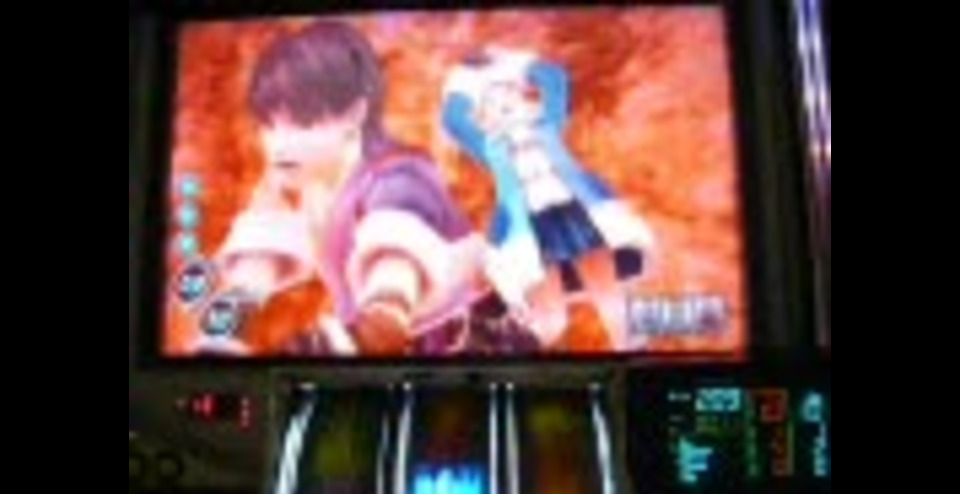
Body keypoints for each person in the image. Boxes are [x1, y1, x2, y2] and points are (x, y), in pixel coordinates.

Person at [199, 21, 536, 355]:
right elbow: (255, 271)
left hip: (475, 342)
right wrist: (220, 340)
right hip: (388, 352)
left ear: (354, 114)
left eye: (301, 123)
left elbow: (394, 276)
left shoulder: (398, 176)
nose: (279, 144)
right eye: (269, 125)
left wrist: (362, 332)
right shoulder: (295, 181)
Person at [441, 46, 656, 350]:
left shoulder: (548, 124)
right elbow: (453, 119)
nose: (504, 104)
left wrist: (513, 62)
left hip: (575, 212)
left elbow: (554, 78)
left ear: (525, 98)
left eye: (509, 94)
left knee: (610, 297)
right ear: (483, 118)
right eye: (491, 103)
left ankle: (635, 359)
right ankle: (542, 366)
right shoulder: (489, 147)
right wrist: (465, 80)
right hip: (526, 229)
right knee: (550, 319)